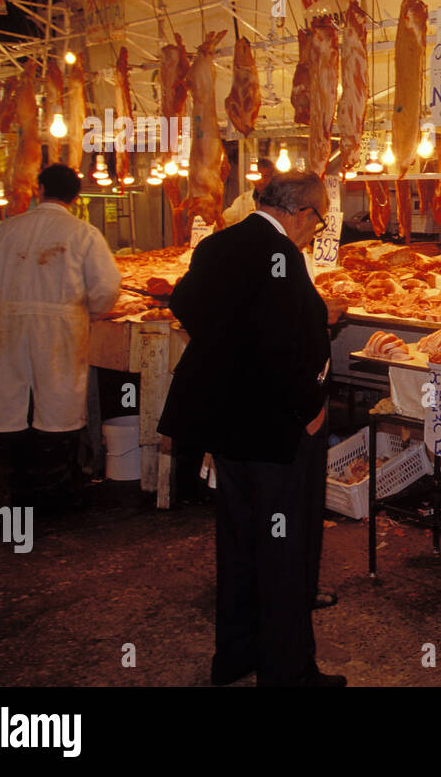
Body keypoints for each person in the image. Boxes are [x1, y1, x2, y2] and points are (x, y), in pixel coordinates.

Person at [158, 171, 343, 688]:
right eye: (318, 218)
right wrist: (309, 405)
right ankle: (288, 673)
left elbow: (186, 305)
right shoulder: (281, 255)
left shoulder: (220, 244)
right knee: (286, 547)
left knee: (240, 538)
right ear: (301, 213)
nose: (315, 229)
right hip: (277, 430)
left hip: (227, 425)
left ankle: (235, 655)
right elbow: (285, 343)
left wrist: (232, 350)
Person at [0, 164, 121, 510]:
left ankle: (20, 491)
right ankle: (53, 497)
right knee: (59, 406)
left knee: (14, 407)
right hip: (62, 331)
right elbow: (108, 287)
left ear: (39, 189)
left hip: (11, 329)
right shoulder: (85, 234)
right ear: (76, 197)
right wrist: (87, 314)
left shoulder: (0, 233)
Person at [221, 158, 275, 227]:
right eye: (259, 176)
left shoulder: (280, 200)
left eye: (266, 176)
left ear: (272, 178)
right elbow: (224, 221)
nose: (262, 181)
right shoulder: (242, 200)